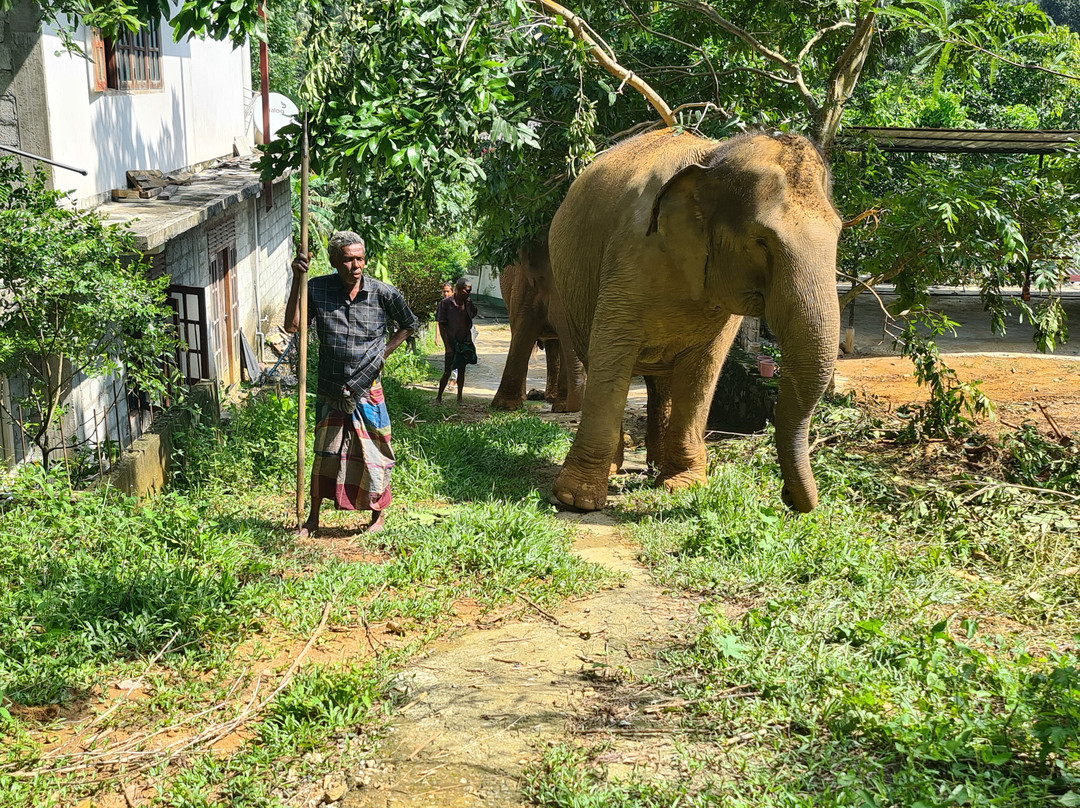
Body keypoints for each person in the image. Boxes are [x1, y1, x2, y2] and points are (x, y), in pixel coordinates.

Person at [284, 231, 418, 537]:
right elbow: (293, 326)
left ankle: (377, 516)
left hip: (368, 387)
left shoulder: (382, 293)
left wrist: (383, 353)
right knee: (325, 453)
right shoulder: (316, 288)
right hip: (331, 386)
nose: (355, 266)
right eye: (347, 259)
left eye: (359, 259)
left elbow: (409, 323)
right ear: (334, 261)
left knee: (375, 451)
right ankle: (313, 519)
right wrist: (296, 279)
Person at [435, 278, 478, 405]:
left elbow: (473, 313)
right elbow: (441, 325)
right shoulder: (446, 303)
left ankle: (459, 398)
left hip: (464, 341)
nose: (468, 293)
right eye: (466, 290)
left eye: (470, 291)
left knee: (462, 369)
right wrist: (447, 346)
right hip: (451, 341)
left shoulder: (468, 302)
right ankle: (438, 397)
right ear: (458, 290)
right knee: (447, 371)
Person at [433, 281, 457, 390]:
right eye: (444, 291)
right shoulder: (441, 305)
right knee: (449, 356)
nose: (446, 294)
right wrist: (436, 337)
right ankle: (451, 378)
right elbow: (438, 321)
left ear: (452, 292)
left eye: (448, 291)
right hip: (447, 335)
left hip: (458, 334)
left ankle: (454, 379)